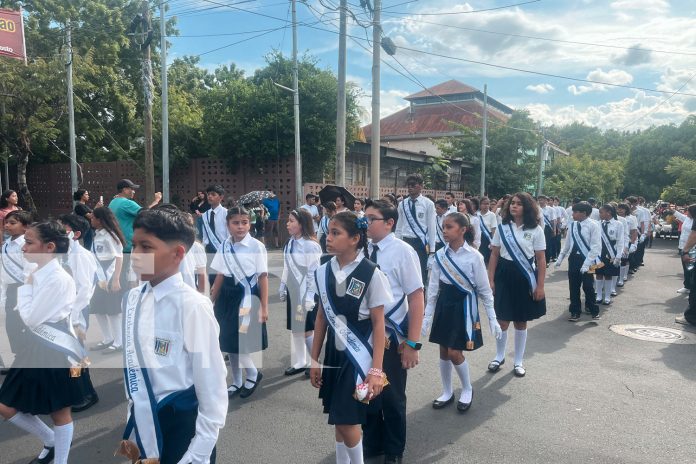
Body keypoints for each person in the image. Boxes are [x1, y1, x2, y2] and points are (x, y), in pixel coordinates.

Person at [118, 206, 227, 463]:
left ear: (178, 253)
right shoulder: (132, 299)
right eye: (134, 246)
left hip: (182, 426)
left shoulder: (193, 306)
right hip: (143, 418)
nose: (135, 255)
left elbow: (212, 383)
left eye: (147, 247)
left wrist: (199, 452)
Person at [309, 211, 392, 464]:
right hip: (335, 355)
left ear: (355, 238)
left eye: (336, 233)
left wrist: (376, 370)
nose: (328, 238)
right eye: (328, 232)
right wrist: (314, 359)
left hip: (359, 359)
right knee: (338, 419)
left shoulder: (371, 273)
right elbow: (322, 317)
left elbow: (379, 324)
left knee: (347, 420)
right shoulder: (323, 271)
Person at [0, 221, 85, 464]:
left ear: (49, 247)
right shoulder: (37, 272)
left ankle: (60, 460)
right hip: (34, 347)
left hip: (54, 350)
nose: (23, 248)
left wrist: (25, 286)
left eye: (28, 243)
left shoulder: (57, 278)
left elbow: (30, 318)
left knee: (60, 411)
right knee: (6, 404)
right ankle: (49, 440)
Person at [363, 200, 424, 462]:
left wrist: (412, 343)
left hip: (393, 335)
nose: (365, 223)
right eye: (364, 218)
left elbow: (416, 297)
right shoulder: (362, 248)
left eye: (371, 218)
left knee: (393, 397)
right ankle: (373, 443)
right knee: (367, 392)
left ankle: (394, 449)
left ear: (389, 223)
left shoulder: (403, 252)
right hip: (365, 334)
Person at [423, 212, 501, 413]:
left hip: (464, 306)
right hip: (445, 303)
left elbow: (484, 289)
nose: (445, 231)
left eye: (449, 227)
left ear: (463, 230)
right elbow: (432, 288)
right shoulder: (440, 255)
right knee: (443, 350)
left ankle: (467, 388)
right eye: (443, 227)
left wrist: (492, 318)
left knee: (454, 352)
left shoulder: (475, 256)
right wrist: (427, 316)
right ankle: (447, 391)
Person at [210, 206, 269, 399]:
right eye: (236, 223)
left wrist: (265, 307)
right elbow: (220, 273)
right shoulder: (224, 245)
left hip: (247, 296)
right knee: (227, 341)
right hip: (227, 297)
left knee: (241, 341)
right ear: (227, 225)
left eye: (244, 222)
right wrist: (212, 299)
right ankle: (236, 381)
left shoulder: (256, 246)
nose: (241, 226)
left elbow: (263, 277)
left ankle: (252, 374)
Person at [487, 193, 546, 377]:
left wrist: (540, 286)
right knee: (502, 320)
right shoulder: (502, 227)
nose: (514, 206)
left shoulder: (536, 230)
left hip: (524, 277)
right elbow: (494, 254)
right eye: (512, 203)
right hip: (504, 275)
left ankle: (518, 361)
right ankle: (499, 356)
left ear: (527, 207)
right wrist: (490, 280)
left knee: (521, 321)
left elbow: (541, 259)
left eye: (519, 204)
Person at [58, 213, 100, 413]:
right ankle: (83, 390)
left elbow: (84, 290)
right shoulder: (64, 253)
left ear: (75, 234)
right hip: (67, 312)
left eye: (62, 228)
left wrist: (74, 318)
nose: (58, 231)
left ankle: (85, 393)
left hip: (77, 311)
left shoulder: (82, 256)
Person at [279, 209, 322, 377]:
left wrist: (311, 296)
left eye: (291, 221)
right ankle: (300, 361)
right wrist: (283, 285)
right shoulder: (290, 242)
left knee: (306, 330)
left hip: (306, 292)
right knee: (296, 329)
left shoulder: (311, 245)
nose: (287, 224)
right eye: (288, 220)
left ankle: (315, 363)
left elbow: (313, 273)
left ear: (302, 224)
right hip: (294, 290)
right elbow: (287, 266)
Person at [556, 201, 602, 321]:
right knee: (574, 286)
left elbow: (596, 246)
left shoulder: (594, 225)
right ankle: (575, 311)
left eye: (575, 212)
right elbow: (567, 244)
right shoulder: (573, 225)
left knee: (588, 286)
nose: (573, 215)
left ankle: (593, 310)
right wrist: (560, 258)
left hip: (590, 260)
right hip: (574, 259)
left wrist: (586, 264)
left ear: (584, 213)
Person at [89, 207, 126, 355]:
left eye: (93, 218)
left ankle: (119, 342)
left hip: (110, 275)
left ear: (100, 220)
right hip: (99, 276)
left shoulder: (110, 236)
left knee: (113, 310)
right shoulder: (97, 234)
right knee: (98, 308)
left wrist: (116, 279)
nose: (90, 220)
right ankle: (107, 338)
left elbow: (119, 257)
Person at [1, 211, 34, 361]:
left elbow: (29, 269)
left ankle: (26, 356)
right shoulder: (7, 244)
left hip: (23, 287)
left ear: (25, 227)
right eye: (6, 222)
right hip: (11, 289)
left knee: (23, 324)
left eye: (12, 223)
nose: (7, 225)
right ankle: (19, 354)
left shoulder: (25, 245)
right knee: (12, 325)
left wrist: (27, 291)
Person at [395, 174, 437, 285]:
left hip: (421, 244)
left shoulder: (428, 204)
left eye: (413, 185)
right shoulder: (402, 204)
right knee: (404, 275)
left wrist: (432, 252)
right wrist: (396, 244)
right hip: (405, 241)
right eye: (408, 185)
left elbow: (432, 228)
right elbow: (399, 227)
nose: (410, 187)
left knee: (420, 277)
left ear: (421, 186)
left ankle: (420, 301)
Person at [108, 179, 162, 253]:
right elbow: (146, 213)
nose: (134, 191)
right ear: (125, 190)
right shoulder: (127, 203)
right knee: (145, 263)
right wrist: (157, 200)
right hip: (130, 246)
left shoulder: (113, 201)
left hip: (117, 245)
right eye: (132, 189)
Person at [594, 204, 624, 306]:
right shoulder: (597, 224)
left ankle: (607, 296)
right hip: (599, 254)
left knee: (608, 275)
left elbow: (620, 241)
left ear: (609, 212)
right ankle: (598, 295)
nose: (599, 214)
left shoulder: (618, 224)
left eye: (601, 212)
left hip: (611, 254)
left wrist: (619, 256)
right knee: (598, 273)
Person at [202, 185, 230, 286]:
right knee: (212, 278)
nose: (210, 197)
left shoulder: (226, 213)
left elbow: (229, 234)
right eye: (208, 194)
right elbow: (205, 236)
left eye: (213, 194)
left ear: (221, 197)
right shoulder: (205, 215)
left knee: (224, 278)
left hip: (223, 250)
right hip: (210, 250)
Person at [180, 213, 207, 294]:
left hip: (190, 291)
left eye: (190, 225)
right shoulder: (170, 244)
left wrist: (201, 295)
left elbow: (201, 273)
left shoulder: (197, 247)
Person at [673, 205, 693, 293]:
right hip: (683, 246)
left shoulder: (694, 221)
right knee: (686, 268)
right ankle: (687, 286)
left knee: (691, 269)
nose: (686, 212)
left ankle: (691, 287)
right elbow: (679, 215)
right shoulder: (687, 219)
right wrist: (671, 210)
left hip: (691, 248)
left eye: (688, 211)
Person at [615, 203, 636, 288]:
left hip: (626, 241)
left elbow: (633, 231)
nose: (620, 210)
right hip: (616, 242)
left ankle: (622, 277)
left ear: (626, 210)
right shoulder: (615, 218)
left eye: (622, 209)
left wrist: (633, 243)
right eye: (619, 208)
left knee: (624, 259)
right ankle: (616, 277)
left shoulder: (630, 219)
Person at [478, 196, 497, 265]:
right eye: (484, 204)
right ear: (480, 205)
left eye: (487, 204)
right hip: (478, 238)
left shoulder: (492, 215)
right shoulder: (477, 214)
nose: (486, 205)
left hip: (487, 239)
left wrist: (493, 242)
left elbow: (494, 230)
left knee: (487, 260)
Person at [539, 196, 557, 266]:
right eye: (539, 200)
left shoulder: (551, 209)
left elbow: (553, 220)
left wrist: (554, 230)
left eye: (542, 200)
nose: (540, 201)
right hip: (538, 228)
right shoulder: (536, 209)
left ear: (546, 201)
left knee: (547, 244)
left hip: (547, 228)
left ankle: (547, 261)